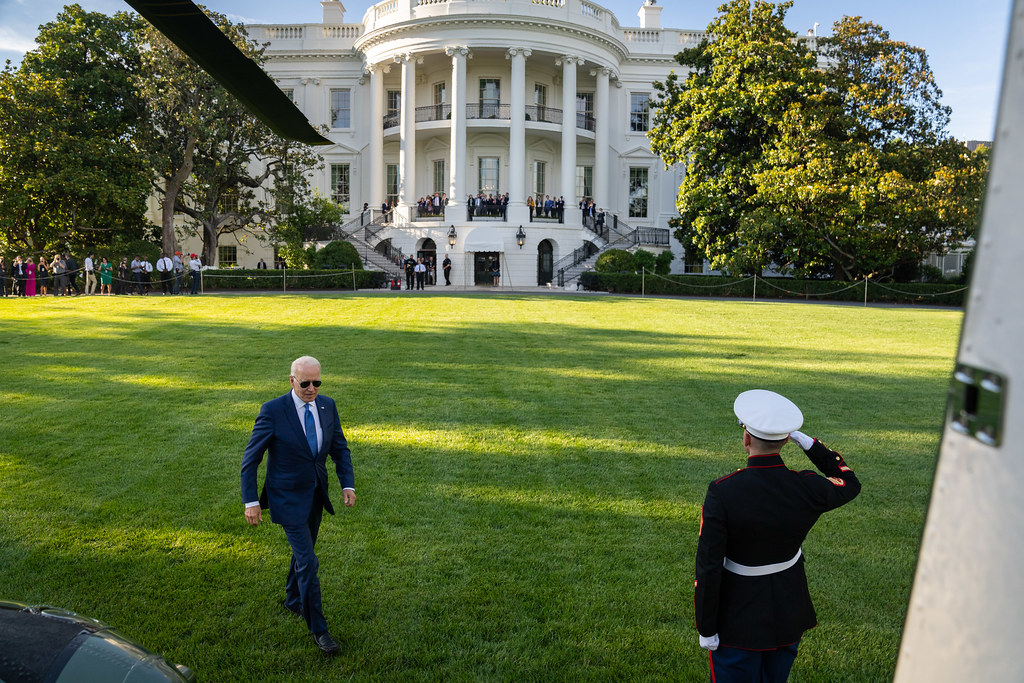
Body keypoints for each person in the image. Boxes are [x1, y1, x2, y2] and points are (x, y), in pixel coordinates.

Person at [695, 390, 861, 683]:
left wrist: (707, 628)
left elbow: (709, 566)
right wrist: (811, 445)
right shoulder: (806, 486)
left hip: (738, 619)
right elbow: (849, 482)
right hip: (788, 610)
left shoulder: (723, 491)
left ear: (746, 439)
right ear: (787, 440)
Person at [241, 356, 355, 656]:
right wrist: (251, 501)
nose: (311, 389)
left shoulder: (327, 406)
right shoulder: (273, 411)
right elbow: (251, 459)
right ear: (291, 380)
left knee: (304, 555)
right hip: (286, 498)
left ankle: (293, 599)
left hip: (316, 495)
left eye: (317, 383)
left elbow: (340, 448)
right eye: (305, 383)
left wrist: (347, 484)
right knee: (308, 562)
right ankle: (319, 630)